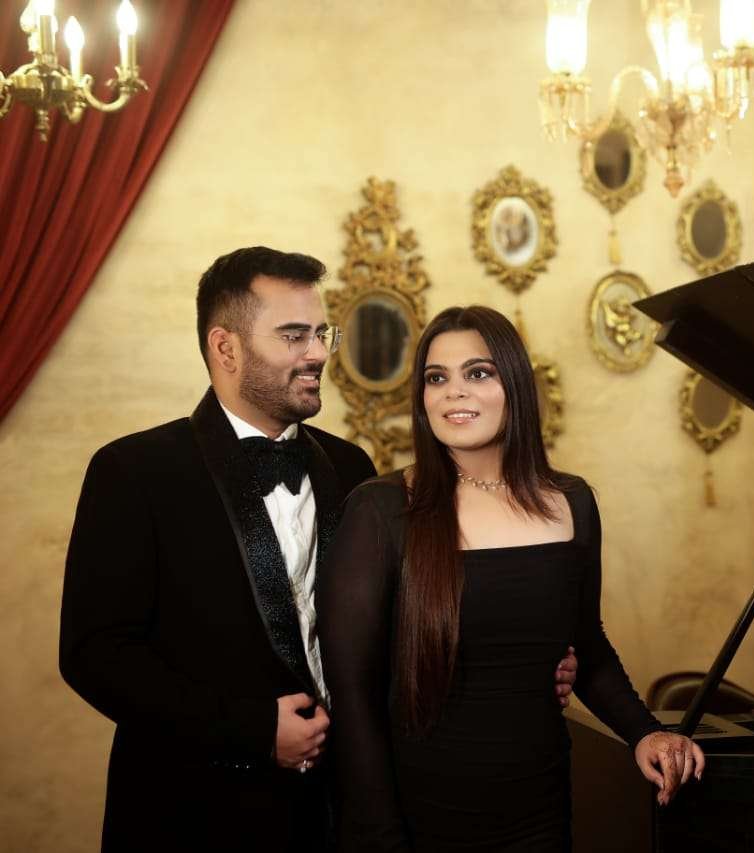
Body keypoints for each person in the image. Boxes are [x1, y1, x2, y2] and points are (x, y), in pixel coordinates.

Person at [58, 248, 579, 852]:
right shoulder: (134, 471)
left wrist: (525, 659)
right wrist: (254, 730)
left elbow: (393, 626)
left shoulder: (352, 467)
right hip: (193, 814)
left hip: (340, 814)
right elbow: (94, 655)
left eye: (321, 333)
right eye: (293, 336)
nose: (318, 353)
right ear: (225, 348)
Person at [318, 305, 705, 852]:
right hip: (417, 816)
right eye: (436, 378)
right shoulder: (381, 508)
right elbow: (351, 693)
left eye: (478, 373)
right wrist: (379, 831)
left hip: (539, 811)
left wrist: (645, 731)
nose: (454, 392)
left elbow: (587, 643)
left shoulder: (572, 502)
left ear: (515, 386)